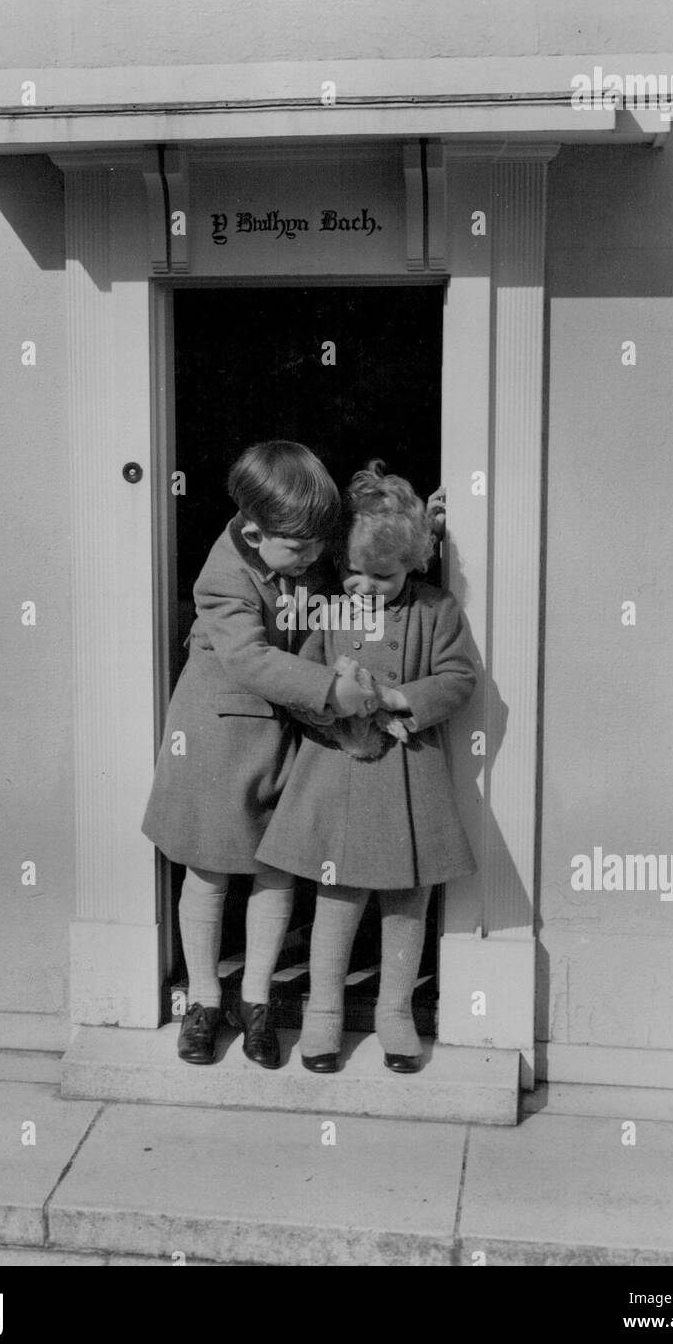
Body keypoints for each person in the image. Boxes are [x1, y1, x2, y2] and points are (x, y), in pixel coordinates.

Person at [142, 441, 368, 1068]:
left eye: (320, 545)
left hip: (287, 732)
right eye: (298, 548)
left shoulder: (305, 549)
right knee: (209, 869)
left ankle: (257, 1001)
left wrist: (426, 530)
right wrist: (330, 691)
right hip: (219, 737)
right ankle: (204, 999)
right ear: (252, 533)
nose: (313, 558)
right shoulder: (223, 575)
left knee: (276, 868)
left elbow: (356, 566)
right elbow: (248, 658)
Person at [255, 461, 477, 1074]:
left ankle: (395, 1013)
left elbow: (458, 678)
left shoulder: (436, 609)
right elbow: (300, 679)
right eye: (354, 572)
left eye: (382, 576)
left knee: (407, 899)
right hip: (340, 770)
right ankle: (323, 1013)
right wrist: (333, 703)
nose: (364, 587)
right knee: (337, 896)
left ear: (414, 564)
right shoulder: (331, 610)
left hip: (408, 770)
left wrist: (400, 697)